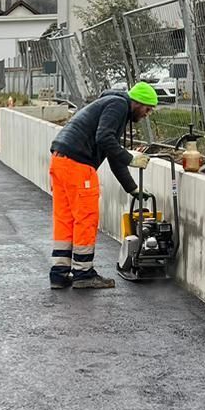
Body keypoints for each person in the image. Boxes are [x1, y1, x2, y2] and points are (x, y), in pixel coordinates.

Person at [47, 81, 158, 289]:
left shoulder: (110, 104)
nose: (147, 114)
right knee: (86, 218)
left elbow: (111, 153)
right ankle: (83, 273)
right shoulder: (119, 105)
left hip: (60, 162)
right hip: (78, 165)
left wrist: (132, 188)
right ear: (138, 102)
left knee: (65, 219)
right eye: (148, 109)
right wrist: (130, 159)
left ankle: (59, 273)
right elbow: (104, 138)